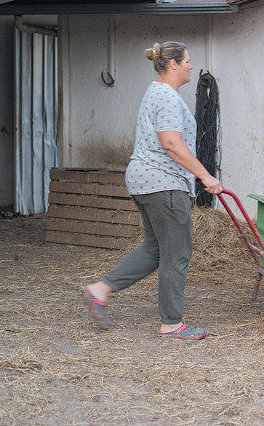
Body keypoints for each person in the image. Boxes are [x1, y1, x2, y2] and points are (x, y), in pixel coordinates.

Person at [81, 41, 222, 340]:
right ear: (172, 64)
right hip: (164, 183)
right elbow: (171, 143)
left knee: (158, 249)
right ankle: (172, 324)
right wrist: (205, 176)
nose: (190, 66)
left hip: (147, 181)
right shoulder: (167, 97)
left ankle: (100, 289)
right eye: (186, 61)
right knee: (178, 252)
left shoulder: (155, 91)